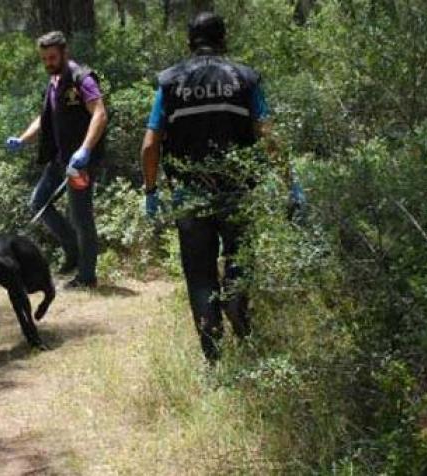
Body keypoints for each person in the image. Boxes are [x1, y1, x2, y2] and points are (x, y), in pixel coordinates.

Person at [140, 12, 297, 361]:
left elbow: (150, 145)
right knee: (239, 257)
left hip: (190, 196)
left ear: (189, 43)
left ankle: (214, 361)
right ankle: (237, 301)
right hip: (238, 191)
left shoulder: (169, 82)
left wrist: (150, 192)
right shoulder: (245, 79)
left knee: (199, 277)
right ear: (224, 40)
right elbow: (269, 135)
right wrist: (291, 185)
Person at [6, 31, 107, 290]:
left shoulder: (81, 78)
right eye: (44, 59)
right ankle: (73, 251)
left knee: (81, 216)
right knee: (38, 202)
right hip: (59, 159)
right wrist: (22, 139)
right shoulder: (54, 81)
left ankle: (87, 276)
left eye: (52, 57)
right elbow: (44, 118)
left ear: (64, 52)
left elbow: (99, 114)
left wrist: (85, 150)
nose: (48, 63)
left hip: (80, 162)